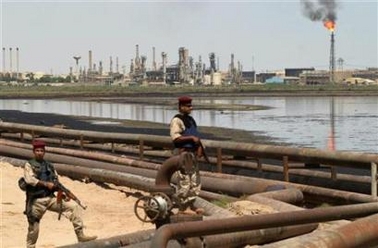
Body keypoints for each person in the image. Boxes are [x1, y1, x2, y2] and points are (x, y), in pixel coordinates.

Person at [23, 140, 97, 248]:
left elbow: (56, 182)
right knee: (34, 227)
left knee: (73, 207)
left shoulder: (49, 166)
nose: (39, 152)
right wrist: (45, 184)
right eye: (37, 150)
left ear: (44, 152)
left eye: (41, 150)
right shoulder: (29, 165)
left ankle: (80, 235)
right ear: (34, 152)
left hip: (50, 198)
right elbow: (29, 180)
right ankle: (30, 246)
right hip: (37, 200)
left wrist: (63, 193)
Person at [169, 96, 204, 215]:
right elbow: (176, 138)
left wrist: (199, 147)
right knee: (185, 181)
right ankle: (183, 207)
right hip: (183, 154)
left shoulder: (191, 120)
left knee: (195, 181)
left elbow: (196, 136)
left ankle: (191, 204)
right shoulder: (177, 121)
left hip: (192, 155)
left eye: (191, 105)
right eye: (188, 106)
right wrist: (191, 138)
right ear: (181, 107)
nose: (191, 108)